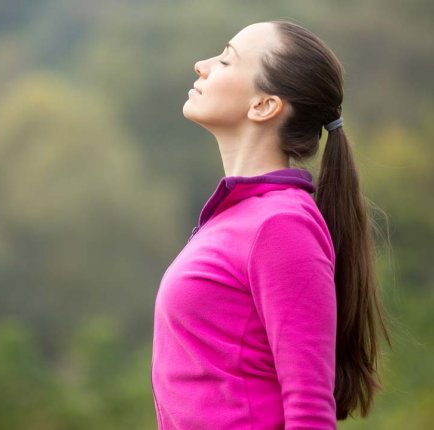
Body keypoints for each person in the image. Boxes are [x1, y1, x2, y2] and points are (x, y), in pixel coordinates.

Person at [151, 20, 392, 429]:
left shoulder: (281, 225)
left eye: (226, 60)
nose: (201, 65)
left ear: (264, 106)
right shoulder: (236, 216)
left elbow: (310, 410)